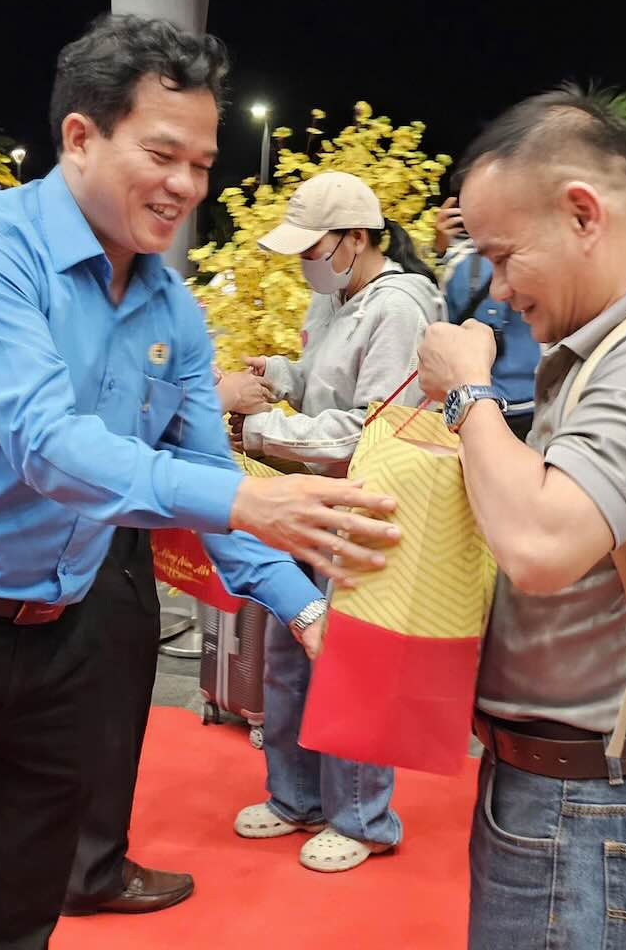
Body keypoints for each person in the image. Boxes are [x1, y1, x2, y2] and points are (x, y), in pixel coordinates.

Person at [0, 14, 400, 950]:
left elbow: (203, 475)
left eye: (201, 163)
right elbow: (48, 445)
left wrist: (307, 611)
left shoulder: (173, 311)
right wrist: (248, 498)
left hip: (55, 644)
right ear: (80, 136)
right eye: (164, 154)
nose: (187, 186)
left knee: (11, 918)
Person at [414, 89, 626, 949]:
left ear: (581, 214)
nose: (496, 287)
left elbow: (538, 544)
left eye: (503, 255)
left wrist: (467, 392)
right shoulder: (618, 345)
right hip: (574, 799)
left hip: (590, 808)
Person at [223, 170, 441, 873]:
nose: (304, 263)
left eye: (312, 248)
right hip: (314, 499)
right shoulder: (337, 298)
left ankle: (364, 816)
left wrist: (262, 429)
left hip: (365, 504)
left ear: (355, 239)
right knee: (293, 651)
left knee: (351, 662)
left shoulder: (400, 308)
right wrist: (284, 374)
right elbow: (328, 382)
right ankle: (296, 798)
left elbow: (371, 430)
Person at [439, 176, 540, 441]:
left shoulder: (455, 264)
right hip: (532, 400)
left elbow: (439, 329)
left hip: (474, 402)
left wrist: (440, 250)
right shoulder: (539, 255)